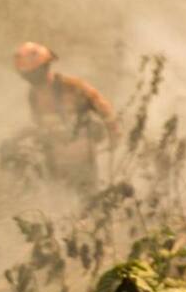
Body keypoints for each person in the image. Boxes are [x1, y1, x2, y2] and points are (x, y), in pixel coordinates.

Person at [13, 41, 118, 195]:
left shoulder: (73, 86)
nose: (30, 79)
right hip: (54, 161)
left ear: (44, 68)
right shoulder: (33, 95)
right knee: (59, 204)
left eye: (33, 74)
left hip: (82, 159)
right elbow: (40, 125)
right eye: (27, 76)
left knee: (87, 202)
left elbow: (104, 108)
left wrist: (114, 134)